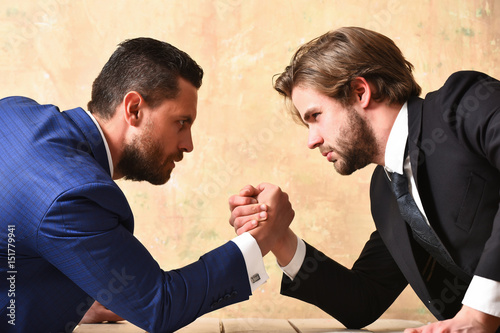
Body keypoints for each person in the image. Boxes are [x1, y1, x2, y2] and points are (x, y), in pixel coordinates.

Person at [0, 37, 294, 332]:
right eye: (181, 122)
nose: (188, 144)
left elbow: (18, 249)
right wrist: (260, 238)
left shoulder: (13, 112)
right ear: (134, 109)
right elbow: (160, 305)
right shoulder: (72, 196)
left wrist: (75, 298)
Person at [229, 27, 500, 333]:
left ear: (361, 92)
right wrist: (279, 236)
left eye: (315, 116)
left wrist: (479, 313)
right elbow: (363, 301)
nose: (311, 141)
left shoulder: (465, 101)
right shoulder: (386, 191)